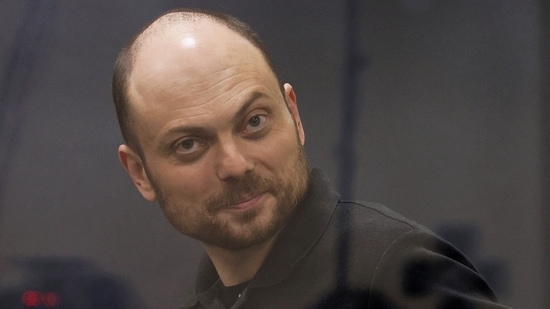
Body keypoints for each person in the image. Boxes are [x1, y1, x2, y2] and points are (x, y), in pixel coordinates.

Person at [111, 8, 511, 309]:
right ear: (140, 173)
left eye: (254, 122)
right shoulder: (207, 298)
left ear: (294, 115)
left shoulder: (396, 273)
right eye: (188, 145)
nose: (235, 165)